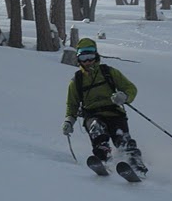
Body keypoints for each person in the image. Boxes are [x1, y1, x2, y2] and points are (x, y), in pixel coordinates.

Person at [62, 38, 147, 175]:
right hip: (92, 115)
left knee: (122, 138)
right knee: (97, 130)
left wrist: (124, 97)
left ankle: (136, 164)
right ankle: (103, 159)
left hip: (114, 113)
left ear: (96, 55)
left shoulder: (108, 72)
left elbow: (131, 88)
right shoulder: (76, 81)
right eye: (84, 57)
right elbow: (72, 104)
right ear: (79, 59)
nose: (88, 61)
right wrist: (69, 121)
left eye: (90, 56)